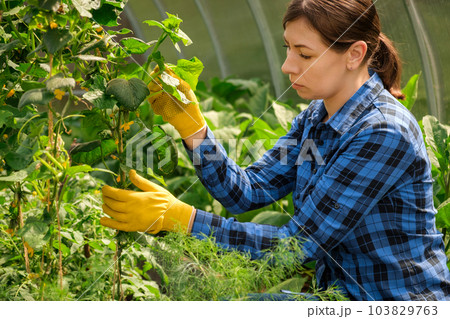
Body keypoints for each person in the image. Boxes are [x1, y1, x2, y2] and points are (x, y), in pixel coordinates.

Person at [100, 0, 450, 300]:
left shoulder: (382, 132)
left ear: (355, 54)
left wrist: (183, 220)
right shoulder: (317, 116)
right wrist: (195, 131)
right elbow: (248, 192)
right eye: (287, 48)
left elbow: (294, 248)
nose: (287, 66)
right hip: (340, 296)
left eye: (304, 54)